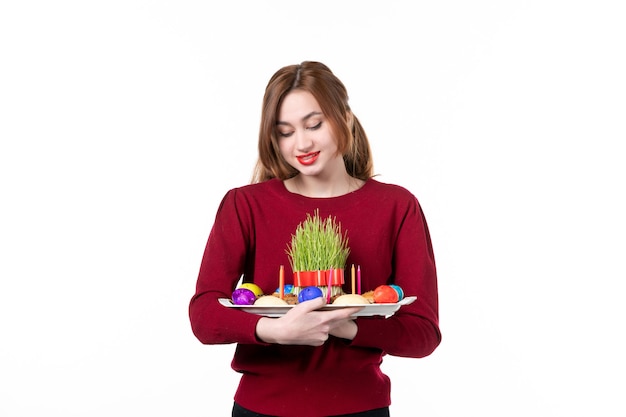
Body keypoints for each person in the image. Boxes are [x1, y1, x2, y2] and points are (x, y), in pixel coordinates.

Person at [189, 61, 441, 417]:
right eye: (285, 131)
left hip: (360, 408)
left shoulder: (397, 206)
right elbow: (203, 314)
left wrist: (347, 326)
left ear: (345, 118)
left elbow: (423, 333)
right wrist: (274, 331)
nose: (302, 143)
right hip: (262, 409)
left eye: (314, 124)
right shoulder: (244, 205)